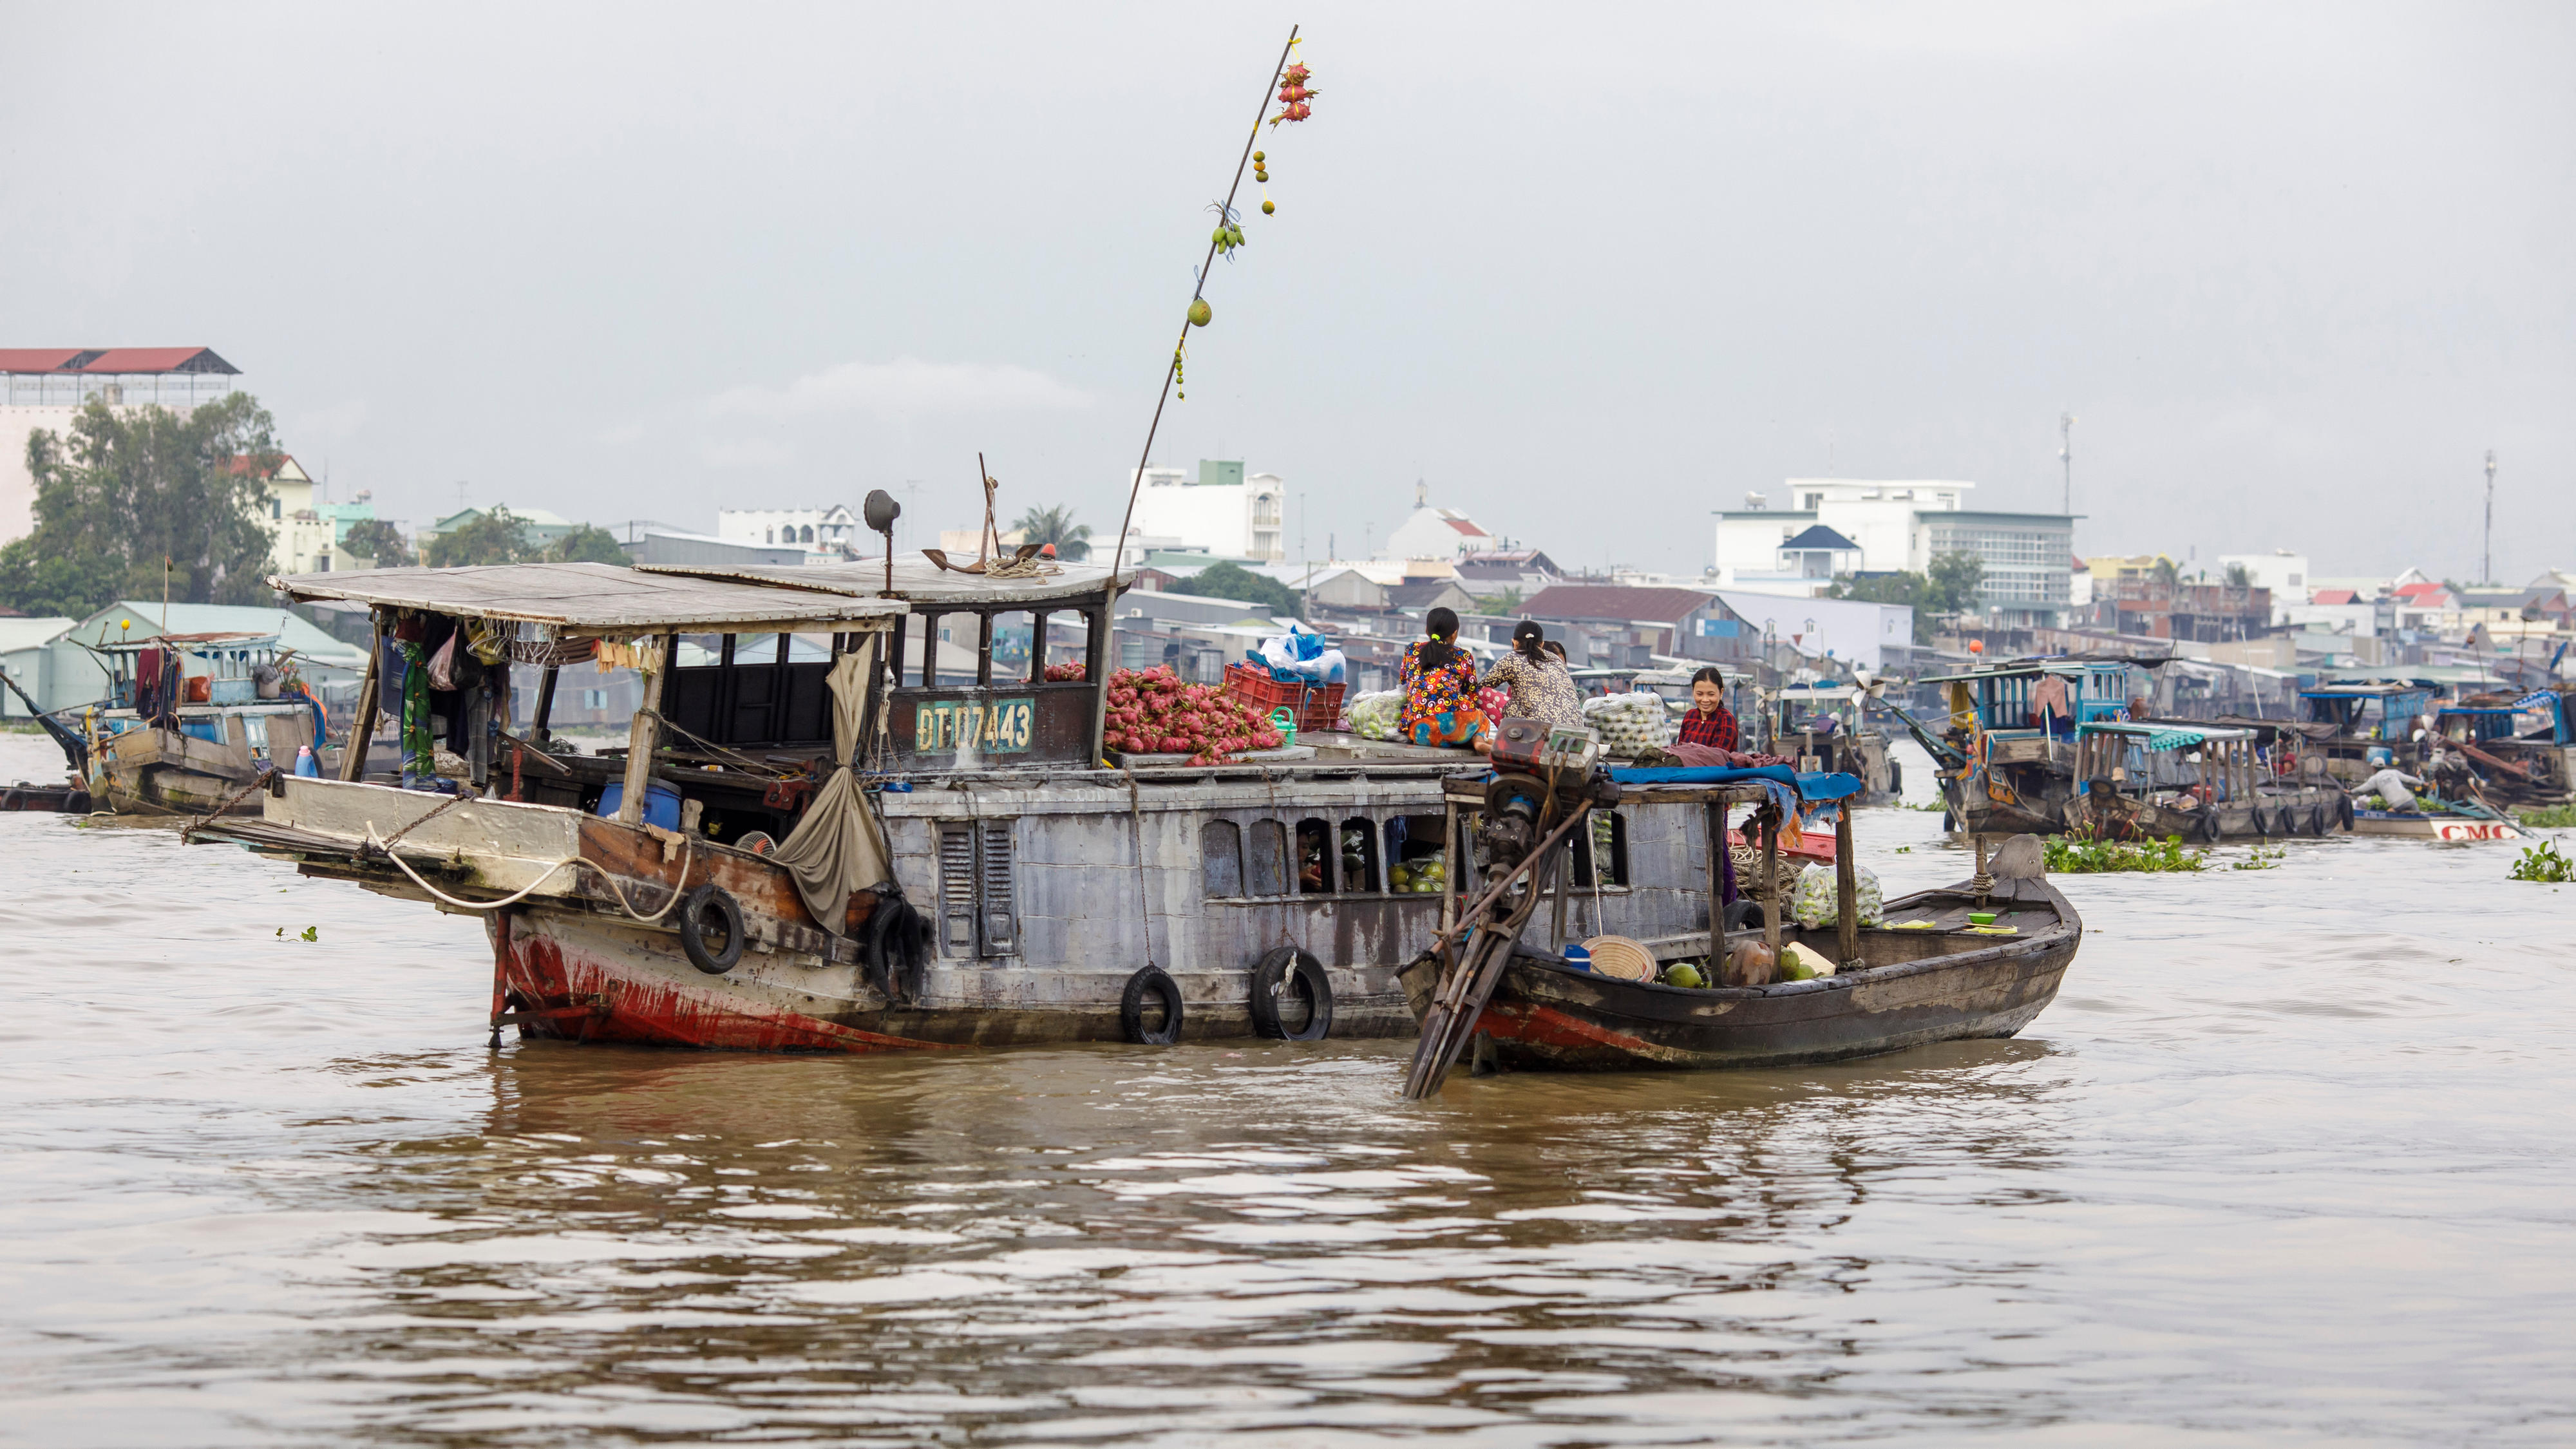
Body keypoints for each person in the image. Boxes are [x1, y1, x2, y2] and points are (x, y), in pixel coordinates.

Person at [1397, 607, 1486, 748]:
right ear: (1454, 634)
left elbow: (1403, 684)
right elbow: (1472, 696)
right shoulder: (1464, 656)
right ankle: (1478, 742)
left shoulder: (1412, 651)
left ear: (1427, 630)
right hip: (1456, 730)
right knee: (1480, 717)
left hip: (1420, 731)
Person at [1481, 620, 1582, 729]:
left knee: (1481, 693)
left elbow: (1482, 686)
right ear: (1542, 644)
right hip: (1575, 731)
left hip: (1536, 732)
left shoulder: (1512, 658)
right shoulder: (1556, 659)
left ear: (1514, 642)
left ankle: (1510, 738)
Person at [1676, 666, 1739, 751]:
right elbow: (1679, 749)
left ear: (1721, 693)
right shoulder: (1690, 715)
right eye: (1700, 694)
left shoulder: (1726, 720)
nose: (1705, 700)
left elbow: (1716, 757)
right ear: (1693, 691)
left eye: (1711, 694)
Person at [2354, 764, 2430, 815]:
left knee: (2394, 811)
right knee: (2417, 814)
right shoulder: (2394, 772)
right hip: (2410, 799)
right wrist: (2423, 783)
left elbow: (2363, 788)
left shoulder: (2375, 778)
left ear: (2374, 769)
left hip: (2397, 805)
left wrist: (2351, 791)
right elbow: (2410, 779)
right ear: (2384, 766)